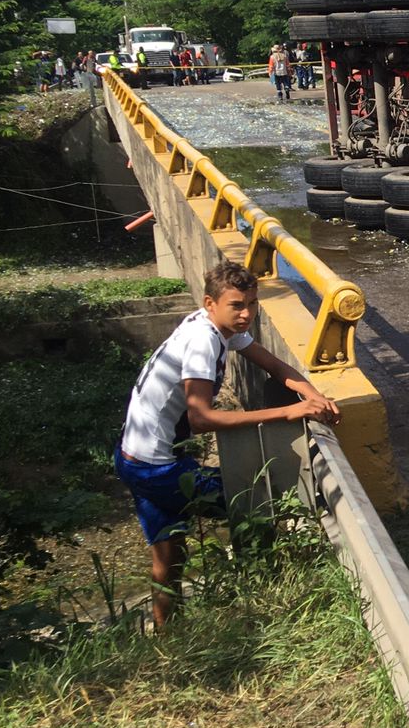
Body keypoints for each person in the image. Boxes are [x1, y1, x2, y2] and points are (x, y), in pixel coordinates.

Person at [114, 260, 341, 626]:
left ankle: (166, 635)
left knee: (168, 556)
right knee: (256, 502)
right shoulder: (204, 341)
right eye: (237, 305)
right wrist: (286, 414)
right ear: (210, 303)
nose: (246, 313)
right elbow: (201, 418)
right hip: (155, 467)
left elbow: (276, 367)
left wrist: (312, 396)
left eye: (252, 303)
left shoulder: (216, 327)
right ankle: (264, 602)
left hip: (131, 456)